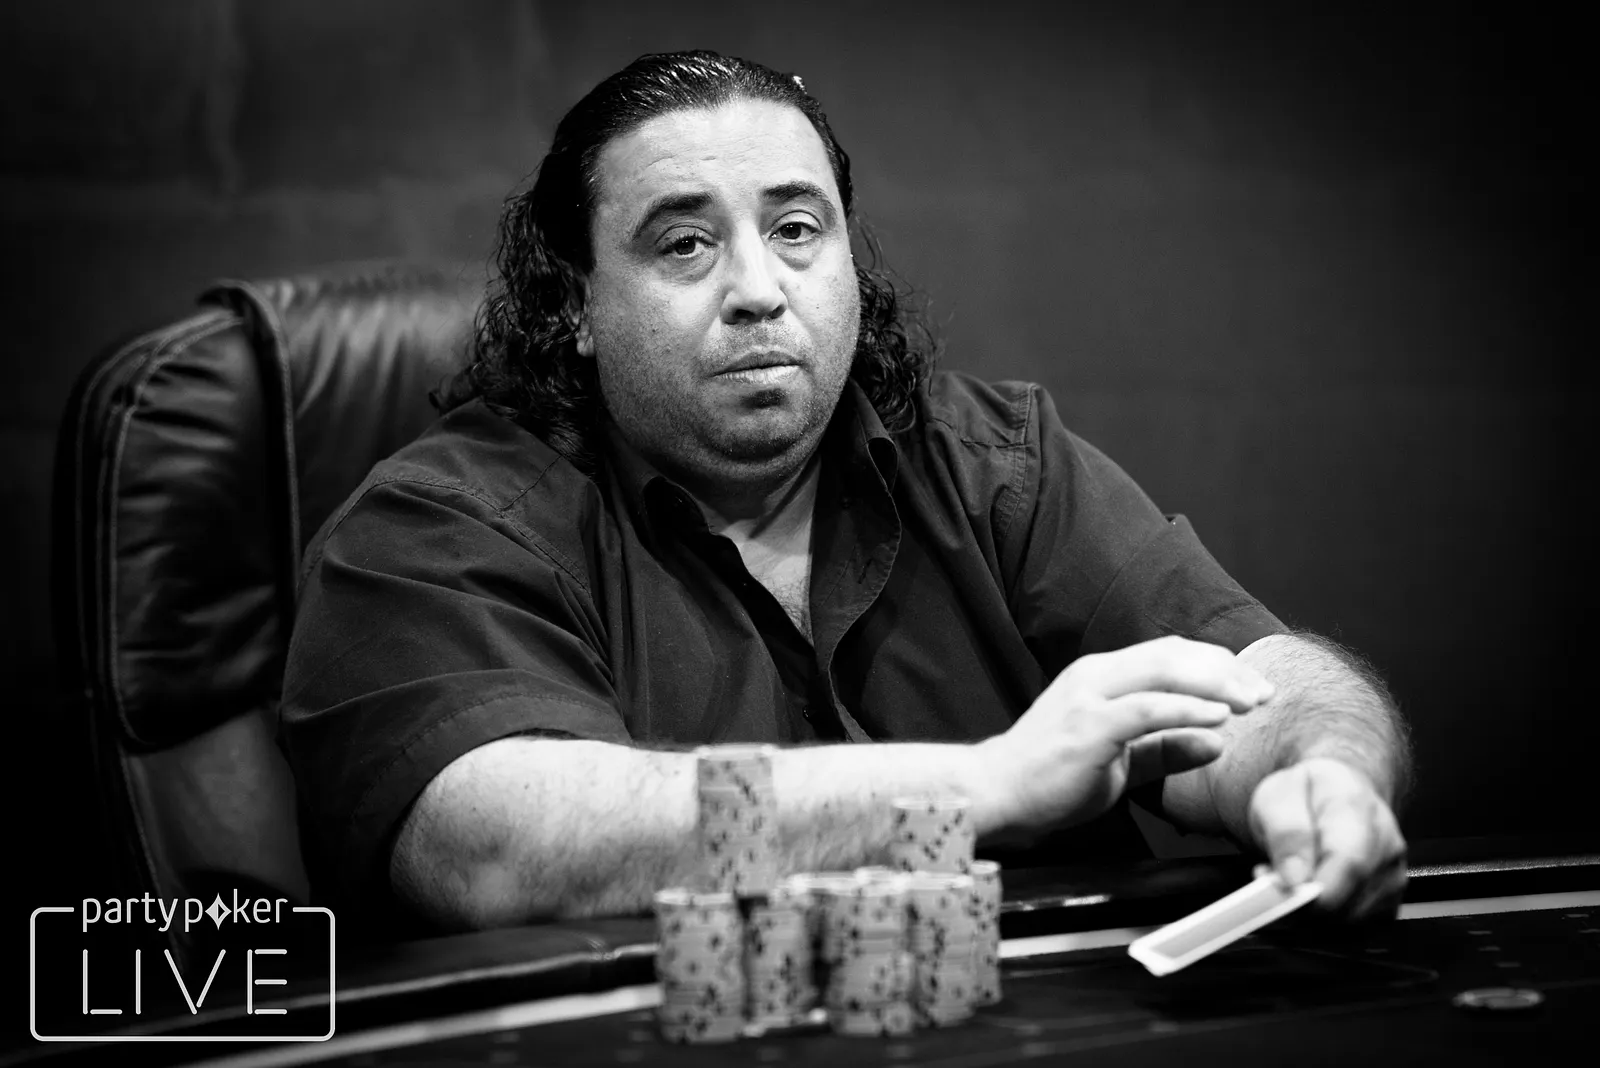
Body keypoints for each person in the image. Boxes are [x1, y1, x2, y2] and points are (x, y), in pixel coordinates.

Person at [280, 51, 1410, 938]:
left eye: (795, 230)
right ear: (576, 304)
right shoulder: (435, 523)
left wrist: (1323, 772)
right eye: (685, 244)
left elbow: (1260, 684)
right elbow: (498, 850)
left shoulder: (995, 463)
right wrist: (980, 787)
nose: (758, 290)